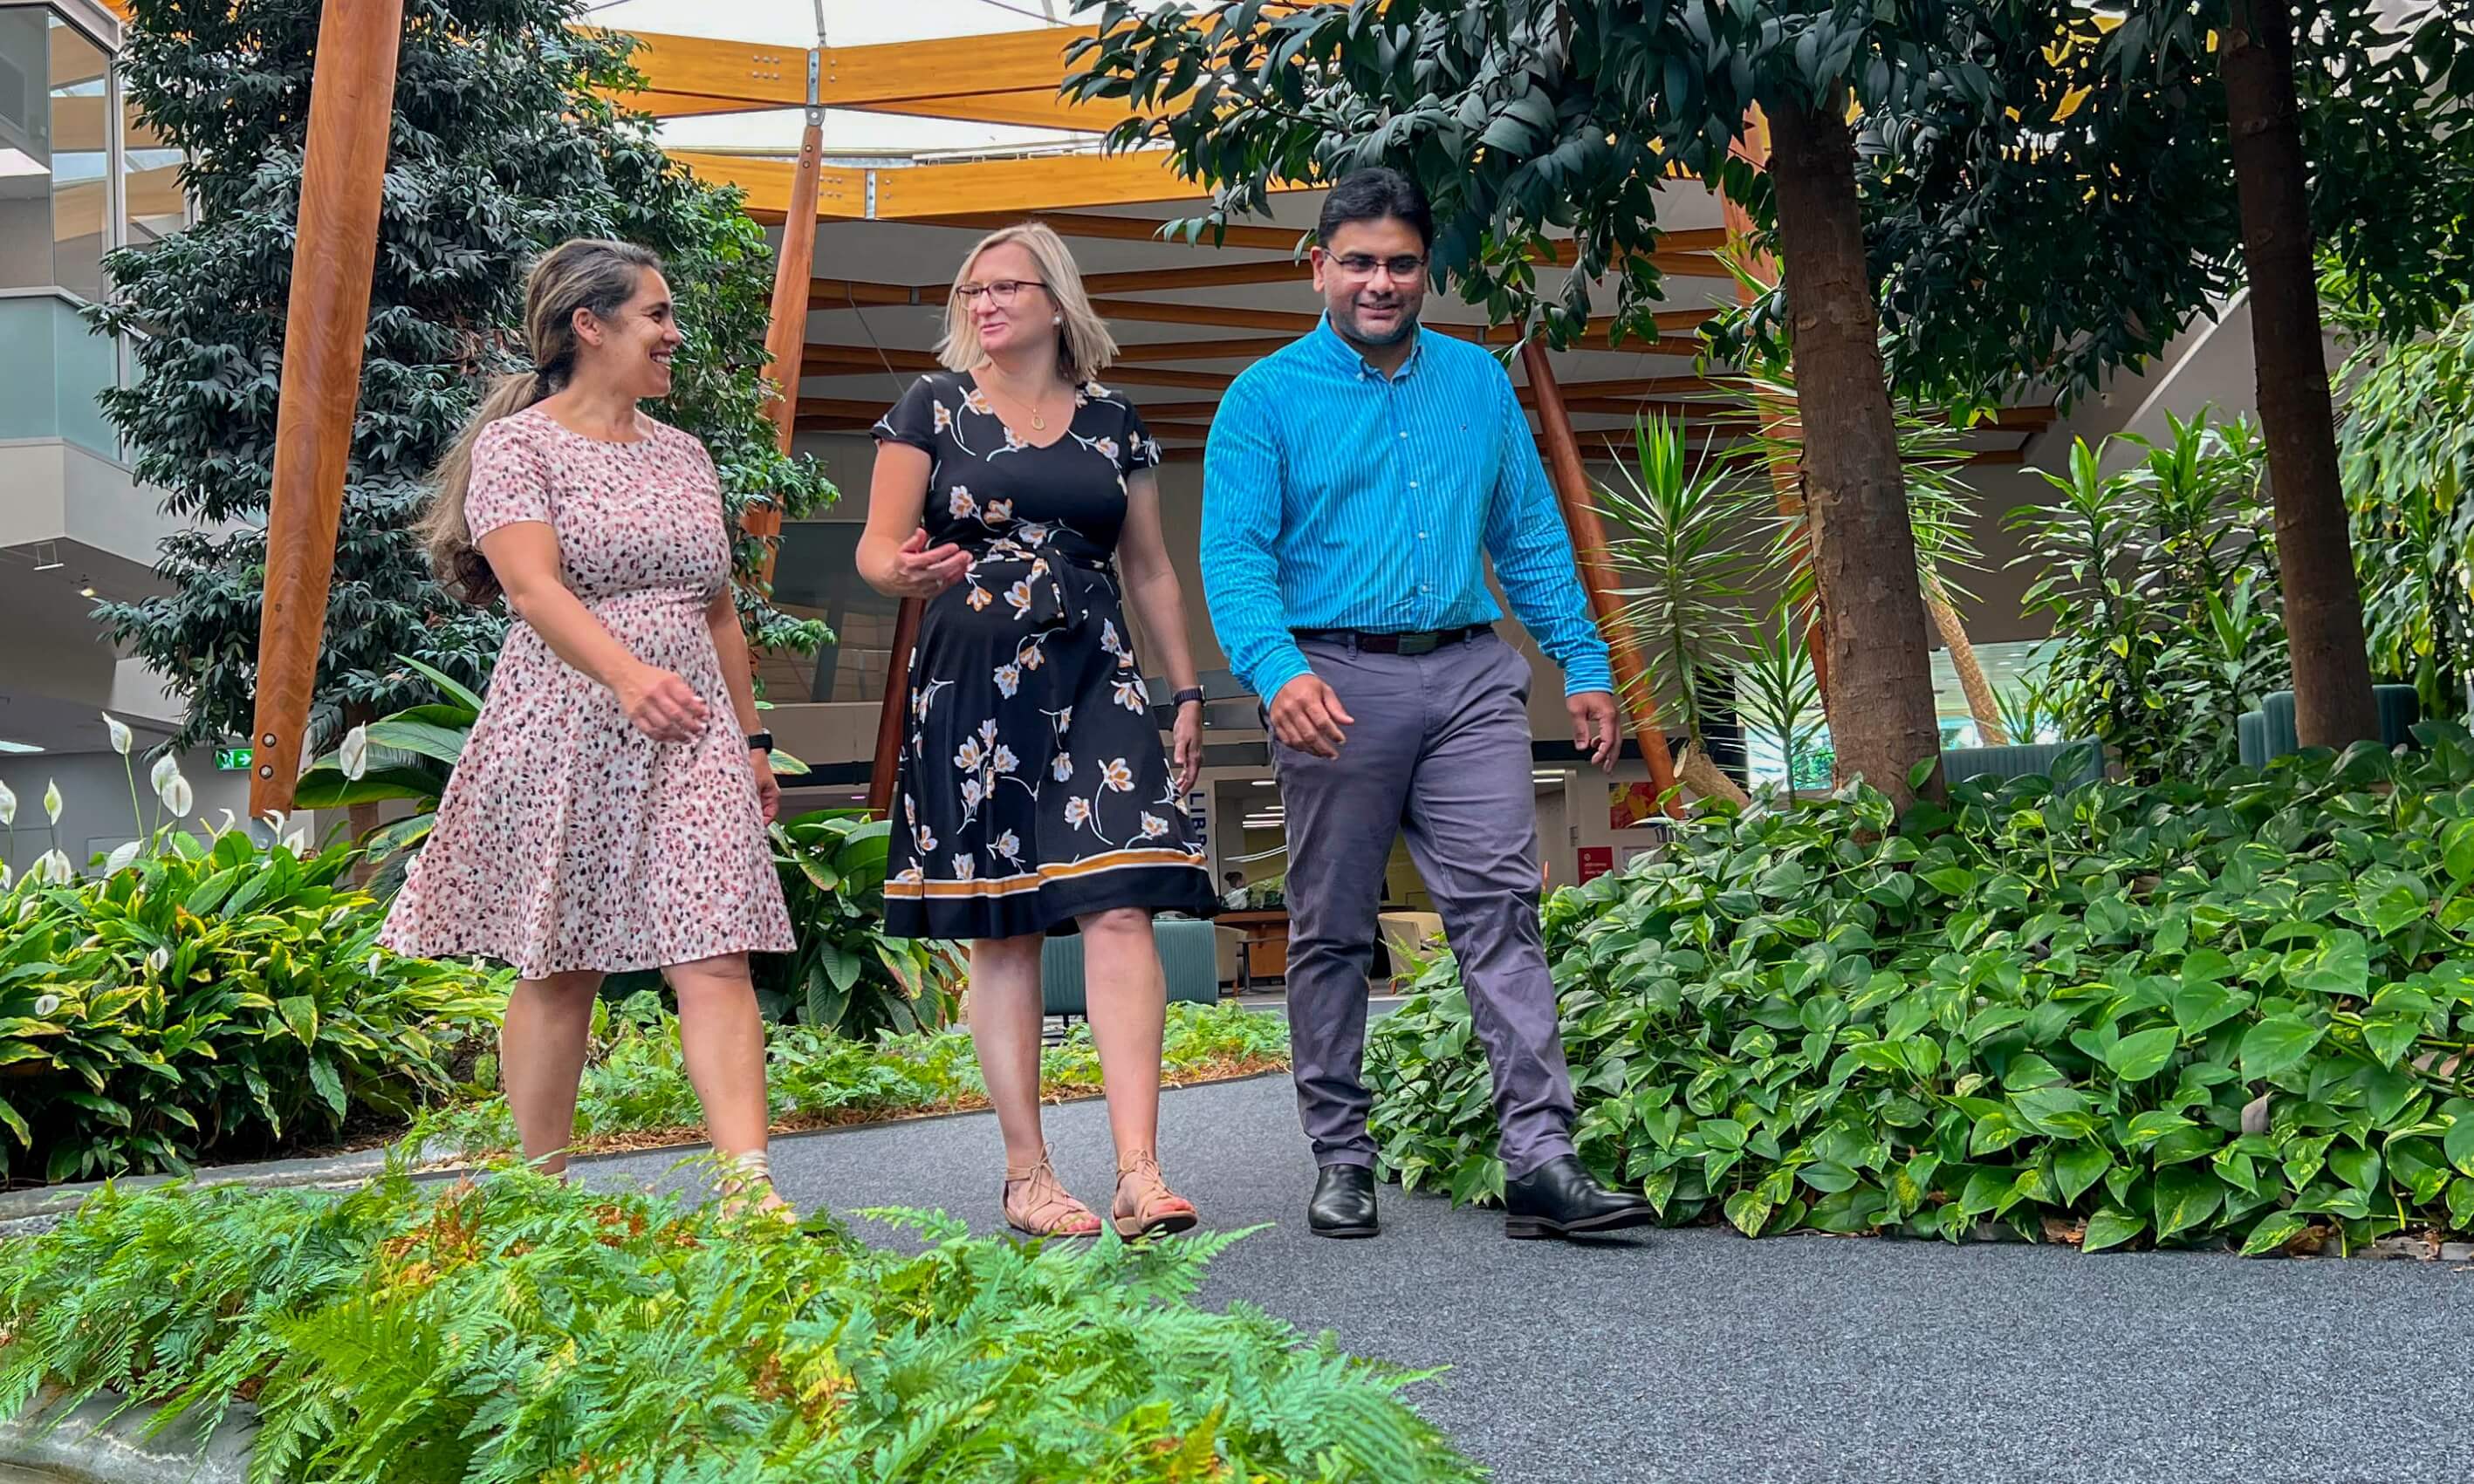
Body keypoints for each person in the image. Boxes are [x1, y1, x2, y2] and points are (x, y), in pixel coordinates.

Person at [1200, 169, 1656, 1242]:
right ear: (1318, 266)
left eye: (1401, 262)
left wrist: (1583, 664)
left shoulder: (1477, 387)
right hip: (1332, 683)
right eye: (1358, 260)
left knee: (1502, 909)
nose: (1381, 281)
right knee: (1331, 927)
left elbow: (1531, 536)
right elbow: (1234, 557)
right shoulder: (1264, 398)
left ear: (1426, 272)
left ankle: (1542, 1160)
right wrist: (1276, 671)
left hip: (1468, 679)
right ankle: (1341, 1158)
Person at [384, 240, 797, 1217]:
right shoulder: (517, 448)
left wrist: (750, 741)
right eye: (656, 315)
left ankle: (749, 1193)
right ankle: (544, 1197)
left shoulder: (687, 454)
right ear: (590, 325)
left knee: (715, 948)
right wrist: (625, 677)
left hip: (689, 724)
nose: (674, 333)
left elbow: (719, 609)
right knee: (560, 962)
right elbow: (531, 588)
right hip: (566, 716)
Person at [859, 222, 1218, 1241]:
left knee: (1121, 901)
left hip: (1096, 664)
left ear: (1057, 303)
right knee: (1005, 925)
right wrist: (904, 573)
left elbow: (1148, 567)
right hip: (974, 672)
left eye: (1006, 287)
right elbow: (878, 552)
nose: (984, 304)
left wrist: (1184, 692)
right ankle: (1028, 1175)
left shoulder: (1113, 422)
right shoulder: (931, 407)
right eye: (972, 289)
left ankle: (1140, 1170)